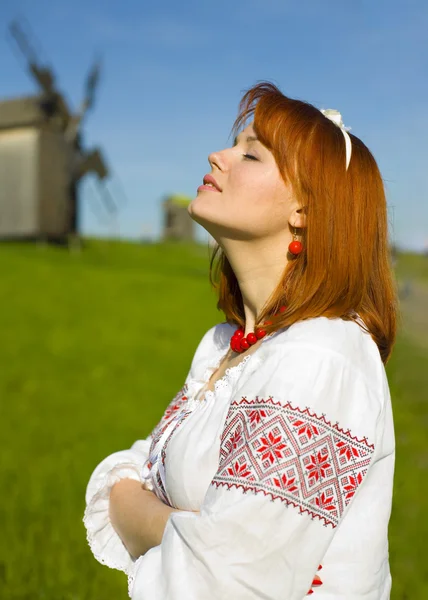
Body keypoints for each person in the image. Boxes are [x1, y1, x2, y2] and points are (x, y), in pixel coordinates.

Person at [84, 82, 397, 599]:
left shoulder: (321, 356)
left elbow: (224, 580)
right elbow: (134, 470)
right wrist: (189, 528)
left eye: (251, 153)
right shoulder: (227, 347)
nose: (218, 155)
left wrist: (156, 518)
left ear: (304, 209)